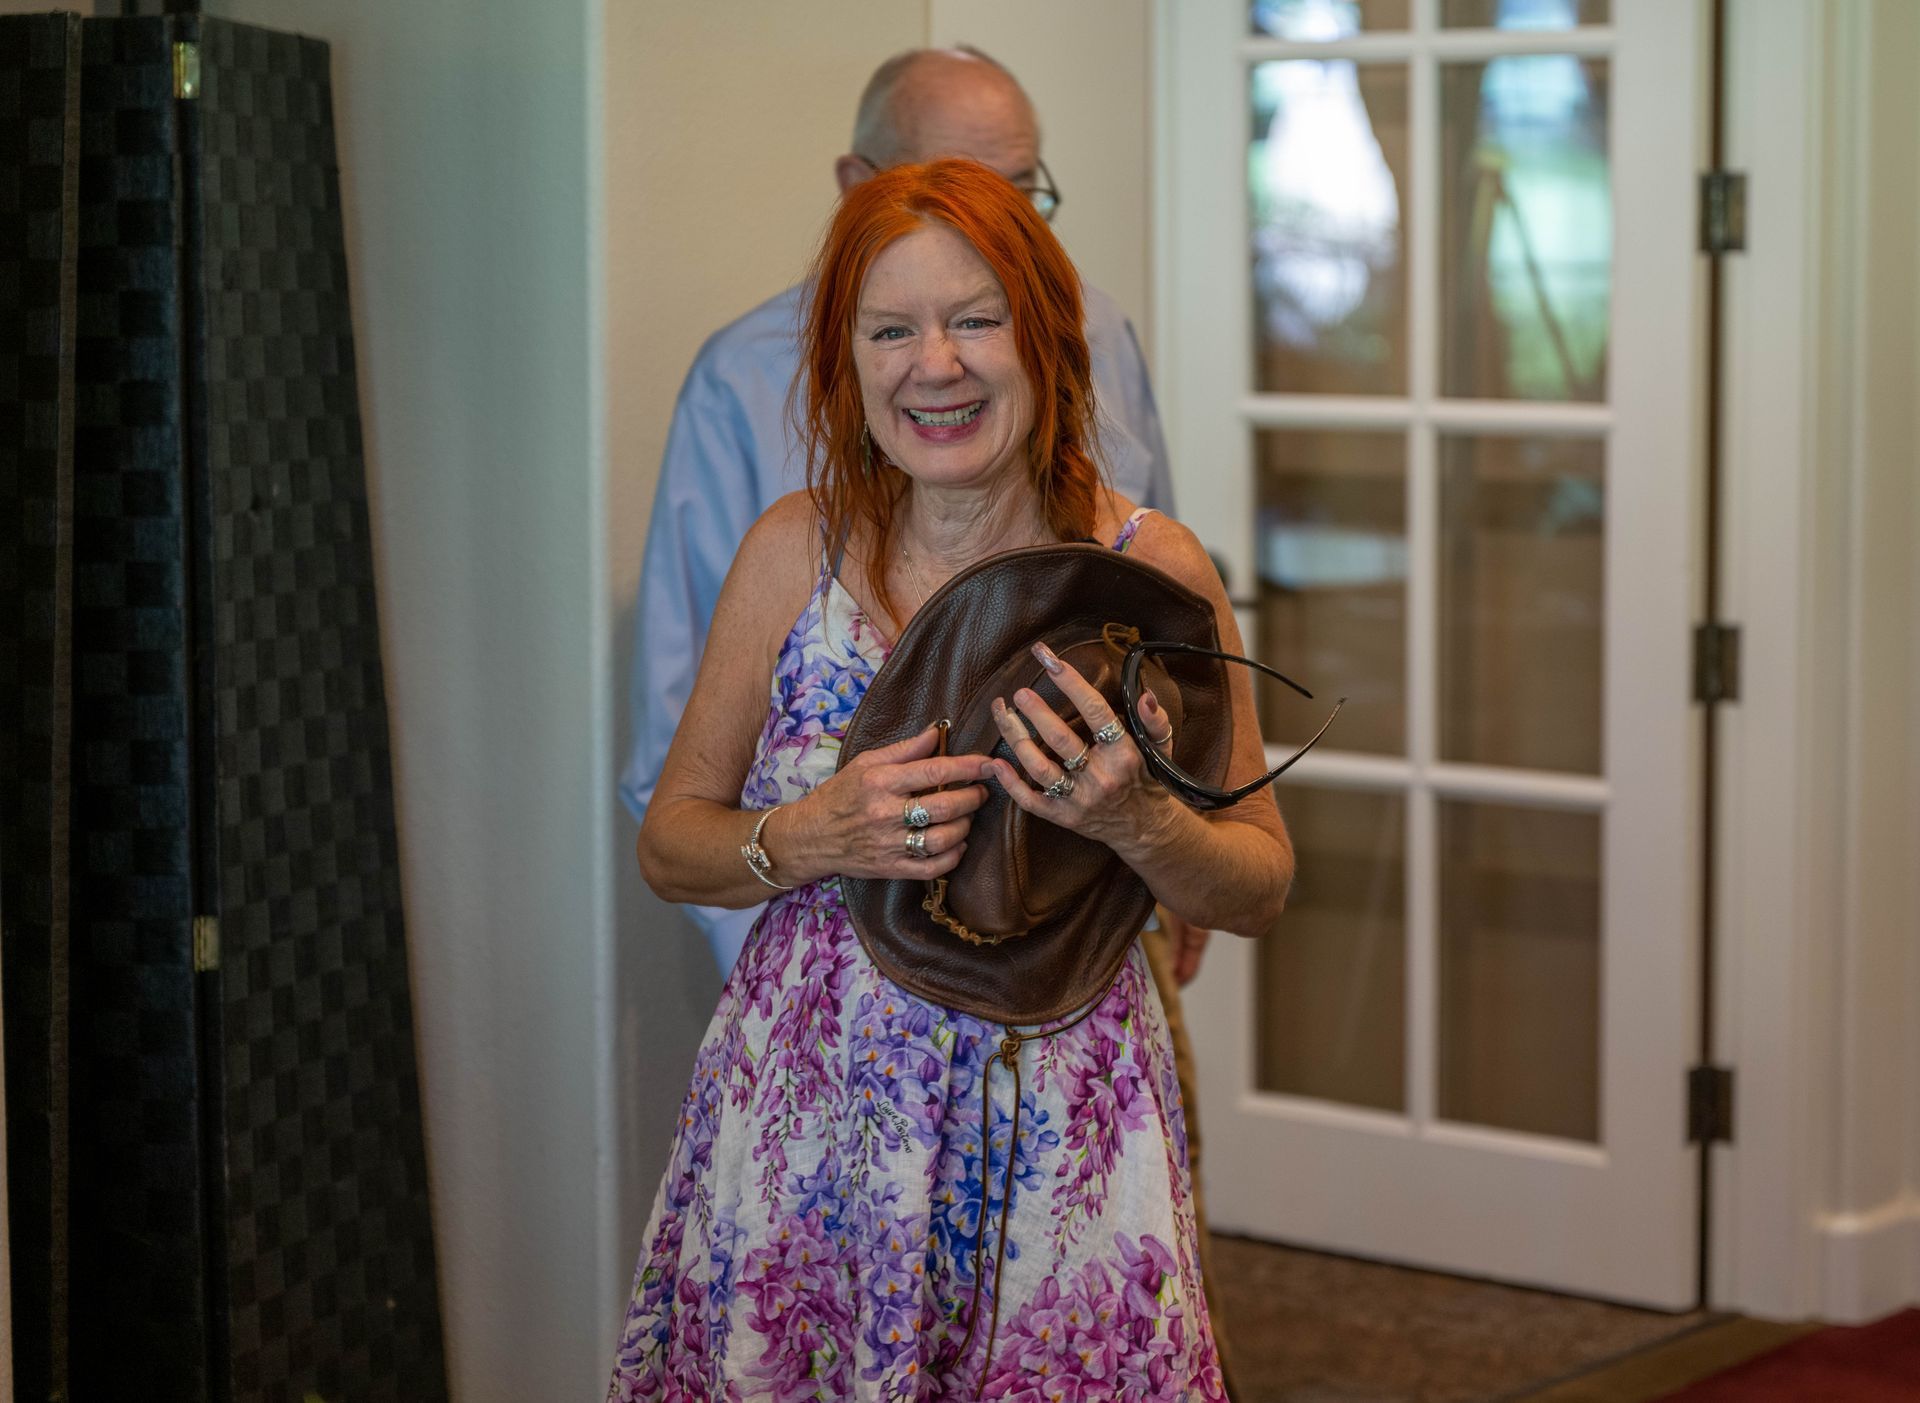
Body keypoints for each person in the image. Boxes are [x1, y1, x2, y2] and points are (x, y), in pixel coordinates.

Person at [606, 158, 1292, 1402]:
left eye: (978, 318)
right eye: (892, 329)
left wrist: (1137, 817)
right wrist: (807, 835)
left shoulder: (1146, 564)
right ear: (845, 360)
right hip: (811, 1116)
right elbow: (671, 842)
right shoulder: (788, 554)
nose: (938, 363)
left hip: (1062, 1120)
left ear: (1044, 339)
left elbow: (1258, 881)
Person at [619, 46, 1180, 976]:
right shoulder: (742, 387)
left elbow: (1162, 620)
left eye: (1016, 192)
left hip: (1094, 959)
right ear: (858, 184)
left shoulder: (1101, 332)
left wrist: (1174, 855)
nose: (938, 364)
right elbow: (676, 773)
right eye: (955, 186)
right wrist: (802, 957)